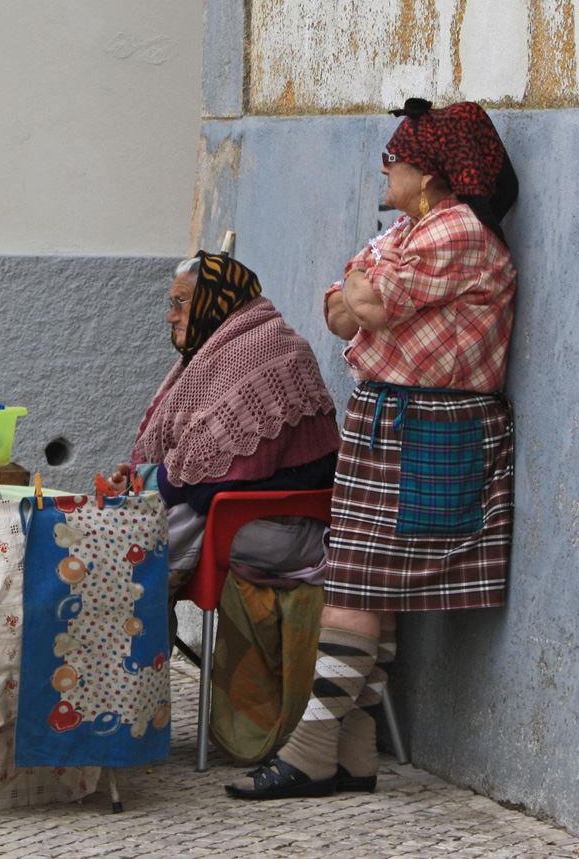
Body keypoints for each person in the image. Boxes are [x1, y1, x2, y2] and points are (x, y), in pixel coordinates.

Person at [226, 99, 518, 800]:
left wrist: (364, 288)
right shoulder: (412, 229)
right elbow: (337, 304)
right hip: (400, 417)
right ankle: (353, 751)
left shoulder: (456, 231)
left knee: (356, 583)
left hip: (429, 423)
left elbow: (373, 301)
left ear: (428, 174)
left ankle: (313, 747)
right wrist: (360, 288)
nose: (383, 171)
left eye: (394, 162)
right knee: (369, 584)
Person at [108, 251, 341, 653]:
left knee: (132, 554)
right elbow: (201, 468)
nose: (171, 316)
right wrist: (141, 485)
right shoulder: (221, 351)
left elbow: (206, 482)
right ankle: (132, 688)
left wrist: (145, 486)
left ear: (216, 298)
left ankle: (130, 692)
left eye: (181, 302)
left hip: (292, 529)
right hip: (246, 517)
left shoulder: (262, 349)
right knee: (133, 539)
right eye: (172, 303)